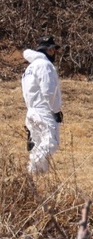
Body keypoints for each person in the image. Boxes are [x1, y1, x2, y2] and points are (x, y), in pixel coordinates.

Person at [22, 35, 63, 175]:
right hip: (44, 110)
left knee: (38, 145)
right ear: (48, 50)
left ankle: (36, 182)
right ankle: (31, 171)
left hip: (32, 110)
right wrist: (56, 110)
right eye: (53, 50)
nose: (54, 53)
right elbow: (49, 91)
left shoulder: (30, 68)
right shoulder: (45, 65)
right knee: (52, 142)